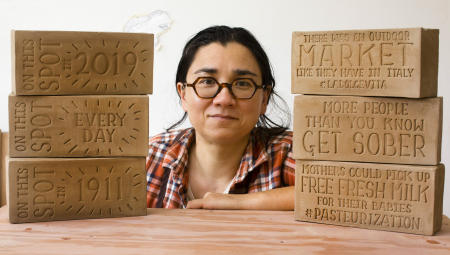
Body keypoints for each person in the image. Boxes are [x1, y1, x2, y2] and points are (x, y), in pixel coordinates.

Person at [146, 25, 295, 210]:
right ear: (183, 95)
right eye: (207, 81)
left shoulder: (289, 152)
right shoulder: (148, 157)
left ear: (264, 98)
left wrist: (239, 203)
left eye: (242, 83)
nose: (224, 99)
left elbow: (339, 194)